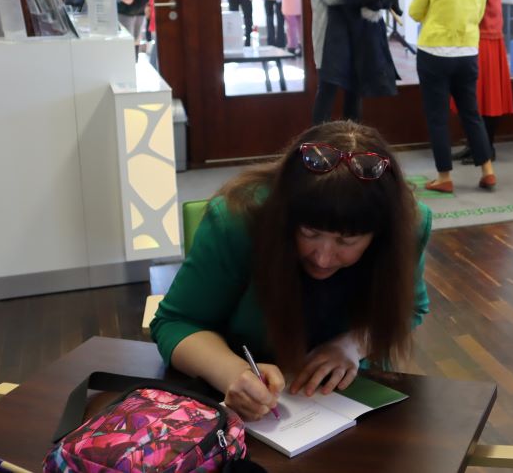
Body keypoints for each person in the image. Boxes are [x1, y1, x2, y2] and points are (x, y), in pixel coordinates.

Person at [150, 121, 431, 421]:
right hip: (248, 403)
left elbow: (409, 309)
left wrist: (352, 345)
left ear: (379, 235)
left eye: (347, 241)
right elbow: (177, 322)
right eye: (309, 233)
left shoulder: (406, 225)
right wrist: (234, 373)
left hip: (353, 395)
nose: (323, 257)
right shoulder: (237, 221)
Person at [408, 0, 497, 193]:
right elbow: (479, 14)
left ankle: (444, 177)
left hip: (434, 53)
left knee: (437, 116)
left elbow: (415, 11)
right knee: (471, 113)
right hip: (468, 52)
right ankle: (488, 171)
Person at [452, 0, 513, 165]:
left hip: (487, 40)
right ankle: (474, 146)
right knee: (472, 97)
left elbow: (474, 4)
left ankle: (486, 149)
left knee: (487, 99)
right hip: (474, 39)